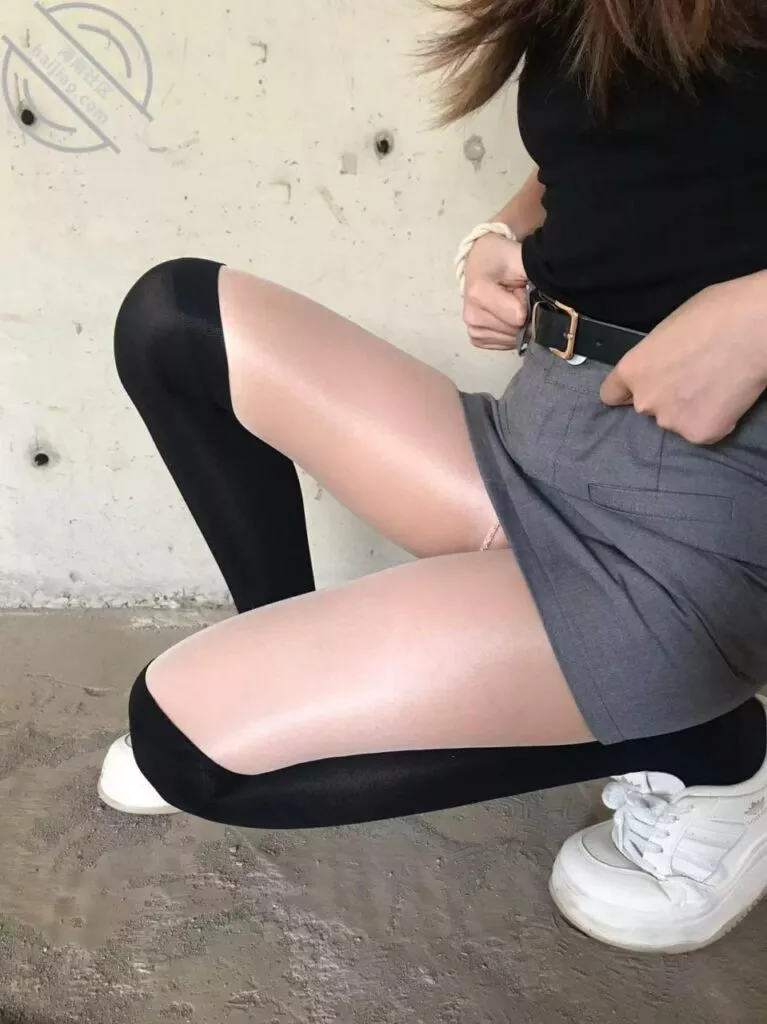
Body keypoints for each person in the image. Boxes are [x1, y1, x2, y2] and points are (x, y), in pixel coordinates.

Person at [97, 0, 767, 954]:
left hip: (691, 513)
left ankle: (711, 747)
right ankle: (286, 659)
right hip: (542, 432)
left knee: (188, 752)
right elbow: (637, 152)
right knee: (173, 323)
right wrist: (501, 231)